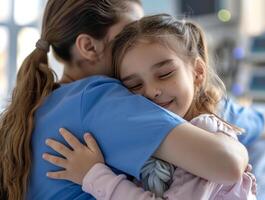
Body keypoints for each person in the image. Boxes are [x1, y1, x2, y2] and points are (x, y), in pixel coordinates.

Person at [0, 1, 250, 200]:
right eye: (127, 34)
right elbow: (226, 162)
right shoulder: (102, 97)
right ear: (89, 46)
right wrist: (234, 142)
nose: (139, 40)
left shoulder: (47, 103)